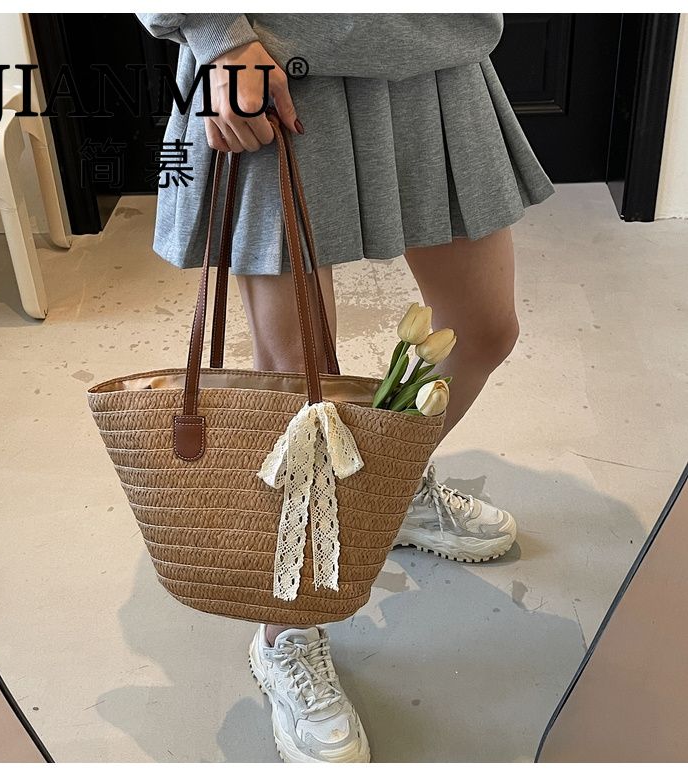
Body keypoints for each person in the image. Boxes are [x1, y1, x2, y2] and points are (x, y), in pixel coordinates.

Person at [137, 12, 554, 763]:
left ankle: (386, 487)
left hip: (433, 56)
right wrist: (216, 34)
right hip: (274, 62)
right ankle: (284, 632)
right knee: (302, 389)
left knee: (483, 328)